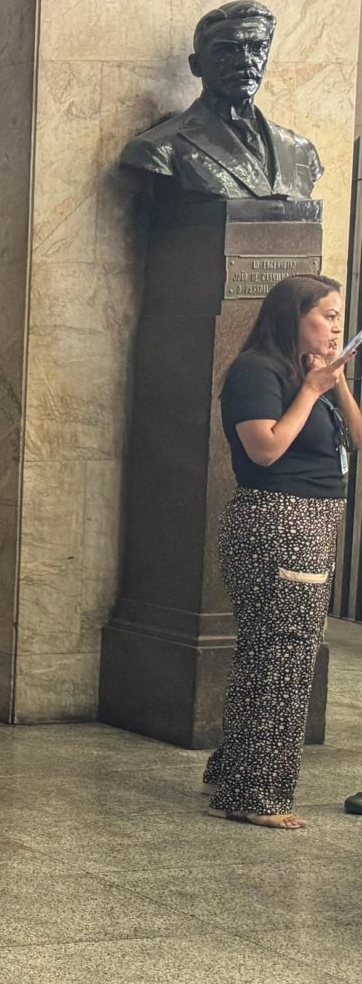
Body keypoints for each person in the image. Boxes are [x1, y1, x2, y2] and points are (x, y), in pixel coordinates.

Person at [207, 272, 357, 829]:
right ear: (293, 316)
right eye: (327, 316)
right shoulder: (257, 371)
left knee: (269, 655)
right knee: (283, 661)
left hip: (309, 524)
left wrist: (335, 384)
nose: (336, 327)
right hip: (280, 523)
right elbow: (265, 450)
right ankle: (256, 795)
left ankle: (235, 775)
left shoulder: (307, 375)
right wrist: (312, 391)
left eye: (340, 317)